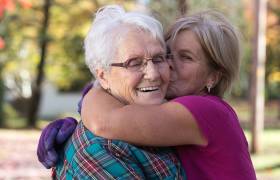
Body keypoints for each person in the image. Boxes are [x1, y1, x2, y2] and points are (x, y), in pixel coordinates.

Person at [38, 8, 257, 180]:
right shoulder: (167, 107)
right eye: (167, 54)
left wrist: (92, 97)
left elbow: (107, 121)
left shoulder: (206, 111)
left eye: (186, 57)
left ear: (213, 77)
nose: (166, 67)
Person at [40, 5, 186, 179]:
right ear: (103, 77)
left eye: (158, 58)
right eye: (134, 63)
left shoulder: (167, 117)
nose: (153, 74)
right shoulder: (98, 150)